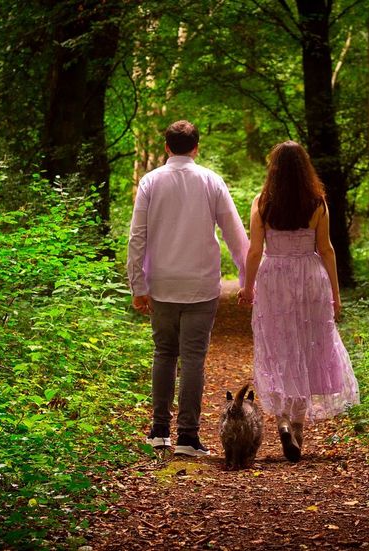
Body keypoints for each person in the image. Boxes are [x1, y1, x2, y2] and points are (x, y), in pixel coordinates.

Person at [128, 120, 249, 457]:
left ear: (167, 147)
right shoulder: (211, 181)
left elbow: (137, 236)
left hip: (162, 282)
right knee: (193, 359)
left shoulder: (151, 181)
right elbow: (235, 235)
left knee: (164, 353)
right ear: (196, 146)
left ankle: (159, 431)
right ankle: (187, 437)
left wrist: (138, 283)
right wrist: (247, 279)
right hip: (200, 284)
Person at [238, 141, 359, 463]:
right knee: (305, 348)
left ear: (273, 169)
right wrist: (335, 295)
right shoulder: (317, 202)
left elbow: (254, 250)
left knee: (278, 349)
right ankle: (298, 427)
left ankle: (281, 422)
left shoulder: (262, 203)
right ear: (305, 168)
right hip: (309, 278)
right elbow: (327, 249)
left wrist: (247, 288)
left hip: (275, 277)